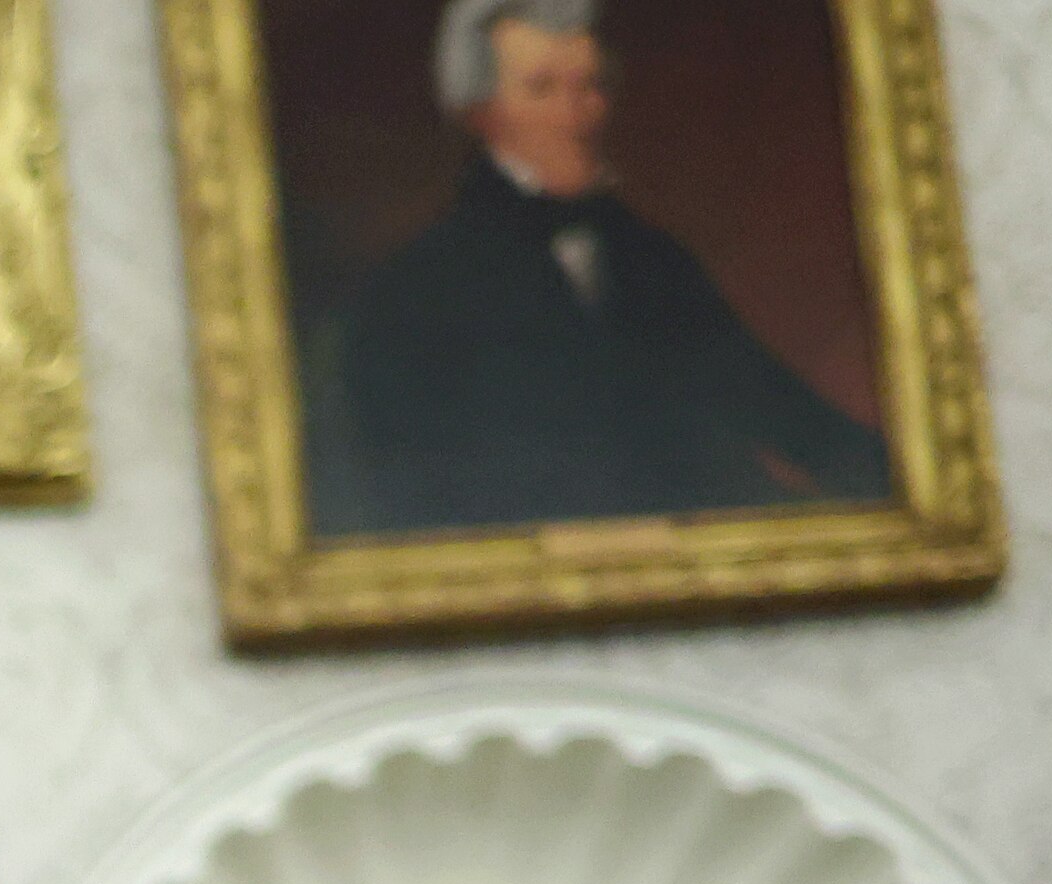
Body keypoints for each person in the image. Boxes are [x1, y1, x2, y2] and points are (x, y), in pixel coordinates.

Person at [306, 0, 894, 539]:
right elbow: (409, 499)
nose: (577, 115)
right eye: (542, 90)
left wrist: (905, 483)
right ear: (480, 114)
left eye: (588, 87)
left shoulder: (654, 260)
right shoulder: (414, 293)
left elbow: (767, 398)